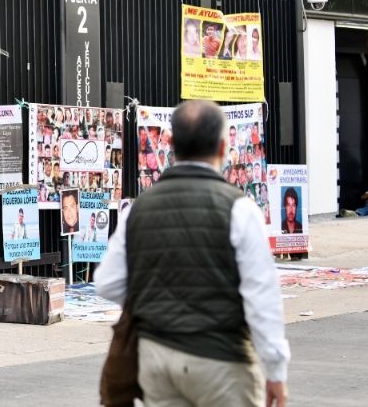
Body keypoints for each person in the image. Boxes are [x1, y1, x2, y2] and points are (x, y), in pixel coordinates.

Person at [94, 100, 289, 407]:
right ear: (224, 147)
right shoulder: (240, 208)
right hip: (221, 359)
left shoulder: (139, 209)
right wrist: (275, 370)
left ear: (170, 144)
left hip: (157, 358)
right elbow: (261, 296)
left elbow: (107, 282)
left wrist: (156, 299)